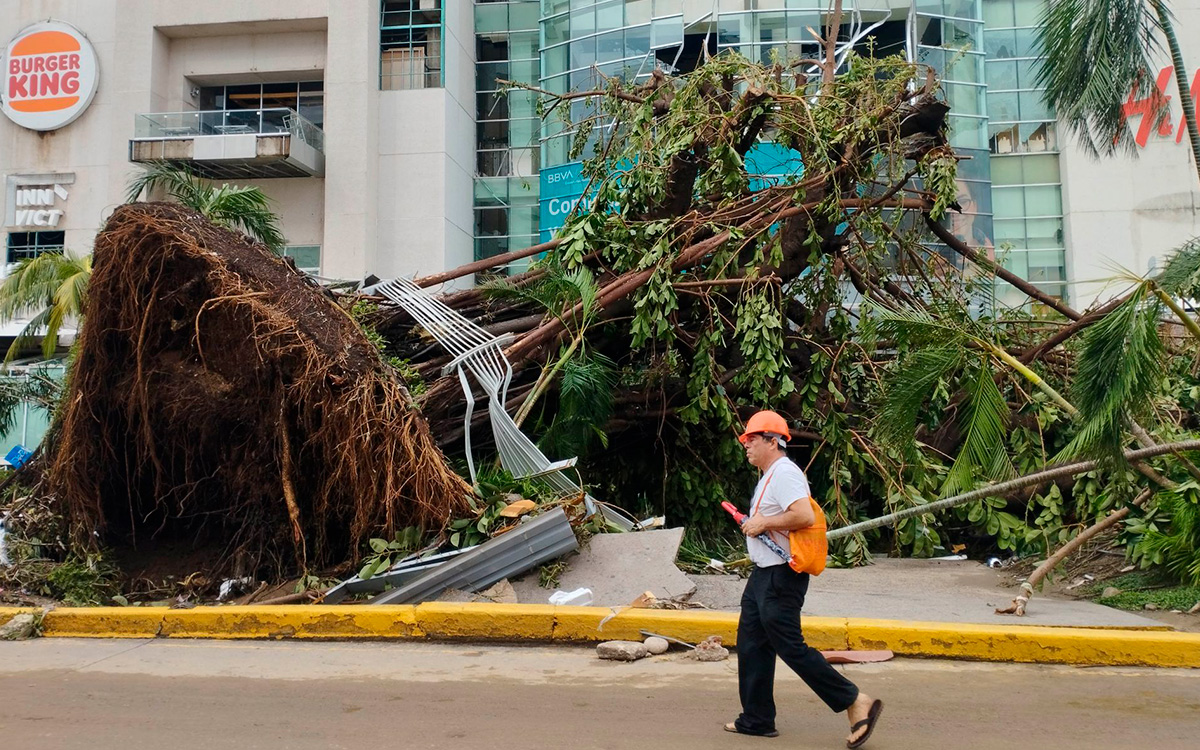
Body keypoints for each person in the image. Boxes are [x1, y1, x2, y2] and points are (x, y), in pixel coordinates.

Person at [725, 410, 883, 749]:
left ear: (772, 441)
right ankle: (756, 719)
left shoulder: (785, 473)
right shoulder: (769, 475)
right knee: (752, 643)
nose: (746, 446)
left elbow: (802, 515)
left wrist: (763, 523)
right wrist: (759, 522)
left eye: (751, 439)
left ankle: (855, 700)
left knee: (789, 646)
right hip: (764, 574)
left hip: (782, 575)